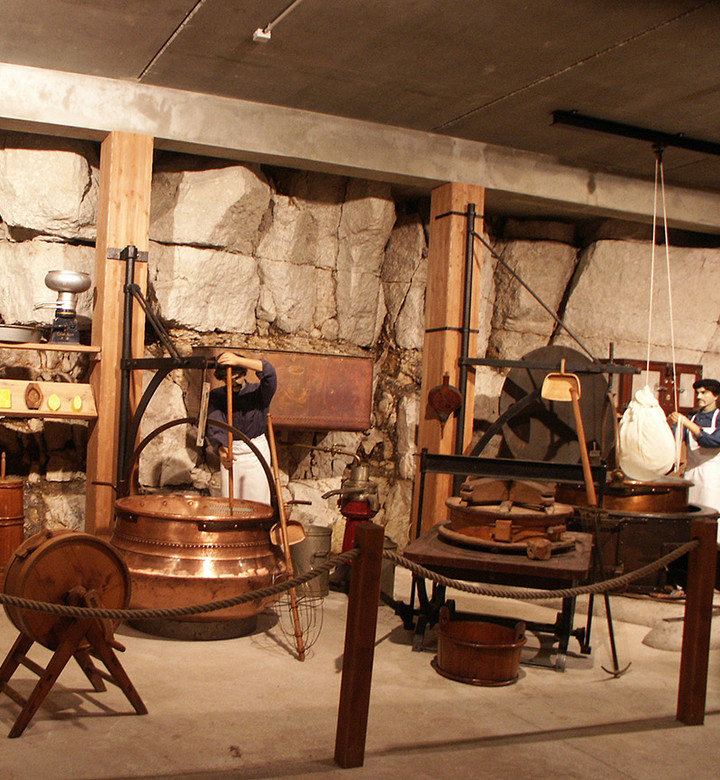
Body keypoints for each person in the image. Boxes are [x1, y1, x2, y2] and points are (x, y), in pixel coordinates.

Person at [207, 351, 277, 504]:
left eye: (237, 377)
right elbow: (215, 424)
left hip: (255, 454)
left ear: (244, 373)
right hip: (232, 453)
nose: (234, 383)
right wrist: (222, 450)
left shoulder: (258, 393)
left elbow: (270, 373)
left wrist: (238, 361)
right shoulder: (217, 396)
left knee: (257, 502)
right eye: (228, 380)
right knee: (232, 502)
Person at [669, 378, 720, 539]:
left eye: (704, 392)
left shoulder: (718, 418)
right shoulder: (692, 416)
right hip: (691, 473)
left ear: (716, 395)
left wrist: (688, 425)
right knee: (691, 515)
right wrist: (672, 423)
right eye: (697, 393)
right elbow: (675, 438)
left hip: (712, 475)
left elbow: (711, 442)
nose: (699, 396)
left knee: (709, 517)